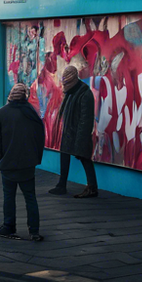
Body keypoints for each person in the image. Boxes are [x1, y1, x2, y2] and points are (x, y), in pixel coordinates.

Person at [0, 83, 45, 241]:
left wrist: (1, 159)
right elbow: (40, 138)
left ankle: (9, 226)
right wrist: (35, 158)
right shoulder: (32, 114)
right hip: (28, 163)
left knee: (9, 196)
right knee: (30, 197)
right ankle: (34, 231)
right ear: (25, 97)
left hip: (8, 163)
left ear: (10, 96)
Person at [51, 65, 98, 198]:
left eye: (67, 83)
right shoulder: (71, 92)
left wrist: (80, 140)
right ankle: (61, 185)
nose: (65, 87)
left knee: (84, 158)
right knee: (65, 155)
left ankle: (92, 188)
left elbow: (86, 120)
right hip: (69, 131)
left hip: (79, 133)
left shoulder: (85, 94)